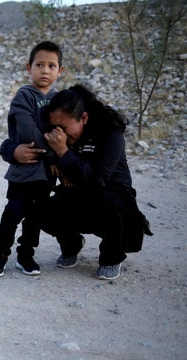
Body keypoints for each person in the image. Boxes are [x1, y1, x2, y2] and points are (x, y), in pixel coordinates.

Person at [36, 84, 152, 280]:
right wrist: (52, 158)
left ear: (84, 118)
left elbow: (97, 180)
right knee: (40, 207)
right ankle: (71, 244)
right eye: (54, 127)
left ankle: (111, 257)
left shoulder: (110, 132)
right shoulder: (58, 136)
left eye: (63, 127)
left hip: (113, 198)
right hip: (79, 195)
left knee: (109, 203)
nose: (59, 134)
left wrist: (63, 153)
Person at [0, 41, 64, 277]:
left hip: (45, 175)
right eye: (40, 65)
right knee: (13, 212)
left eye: (52, 66)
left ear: (60, 71)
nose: (45, 70)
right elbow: (28, 131)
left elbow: (64, 131)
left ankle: (26, 256)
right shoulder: (24, 95)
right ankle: (0, 255)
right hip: (23, 170)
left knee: (35, 218)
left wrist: (59, 156)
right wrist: (53, 153)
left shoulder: (61, 99)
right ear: (29, 67)